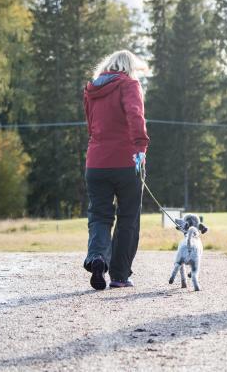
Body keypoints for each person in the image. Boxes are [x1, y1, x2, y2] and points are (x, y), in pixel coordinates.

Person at [83, 50, 150, 290]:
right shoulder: (129, 84)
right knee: (128, 217)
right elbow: (135, 115)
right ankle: (120, 275)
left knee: (99, 215)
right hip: (126, 161)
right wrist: (141, 147)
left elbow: (91, 125)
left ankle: (98, 257)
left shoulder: (92, 88)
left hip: (96, 163)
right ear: (129, 67)